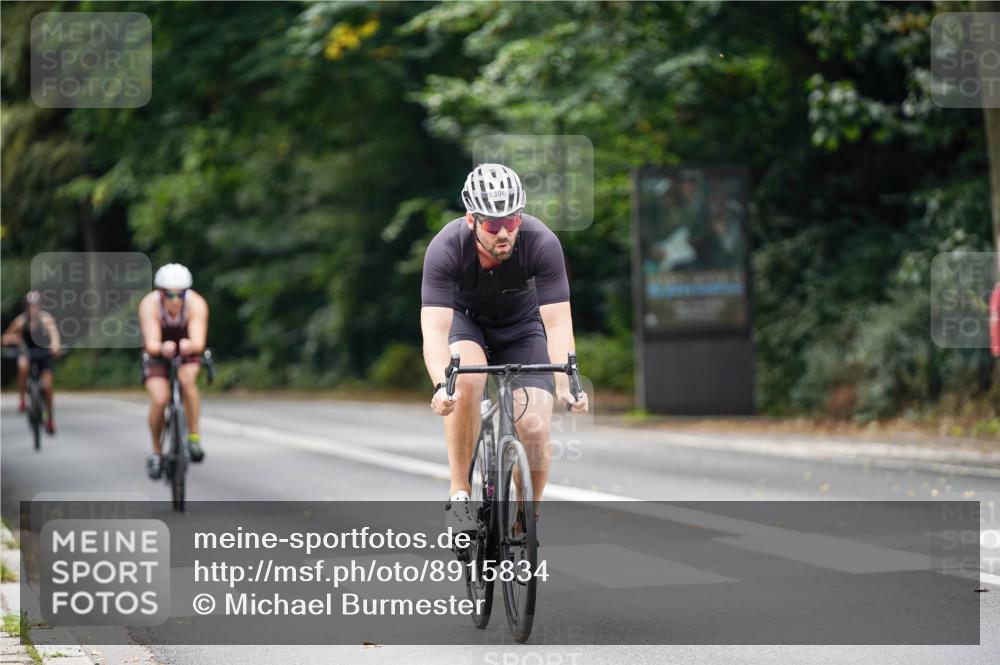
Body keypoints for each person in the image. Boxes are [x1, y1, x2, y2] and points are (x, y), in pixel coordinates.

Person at [420, 163, 589, 534]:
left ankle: (527, 519)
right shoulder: (446, 248)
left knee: (534, 427)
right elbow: (434, 329)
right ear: (471, 220)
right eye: (492, 224)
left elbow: (557, 323)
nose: (503, 233)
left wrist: (566, 384)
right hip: (467, 324)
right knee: (466, 384)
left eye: (511, 222)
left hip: (522, 330)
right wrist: (441, 385)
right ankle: (460, 493)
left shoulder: (541, 242)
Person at [138, 263, 209, 479]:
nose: (175, 300)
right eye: (170, 295)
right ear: (160, 292)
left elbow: (199, 342)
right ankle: (156, 452)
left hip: (186, 350)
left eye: (181, 294)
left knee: (187, 382)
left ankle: (194, 437)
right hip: (158, 352)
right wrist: (161, 348)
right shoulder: (149, 304)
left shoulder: (197, 303)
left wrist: (190, 345)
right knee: (160, 399)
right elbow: (151, 342)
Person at [1, 291, 61, 434]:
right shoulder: (21, 321)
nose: (32, 309)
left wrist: (55, 346)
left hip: (44, 354)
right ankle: (22, 398)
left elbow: (54, 335)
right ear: (26, 307)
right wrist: (12, 339)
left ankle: (49, 418)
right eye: (29, 306)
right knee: (23, 366)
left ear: (39, 306)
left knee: (47, 386)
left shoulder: (46, 319)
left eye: (35, 306)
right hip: (27, 353)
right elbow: (4, 338)